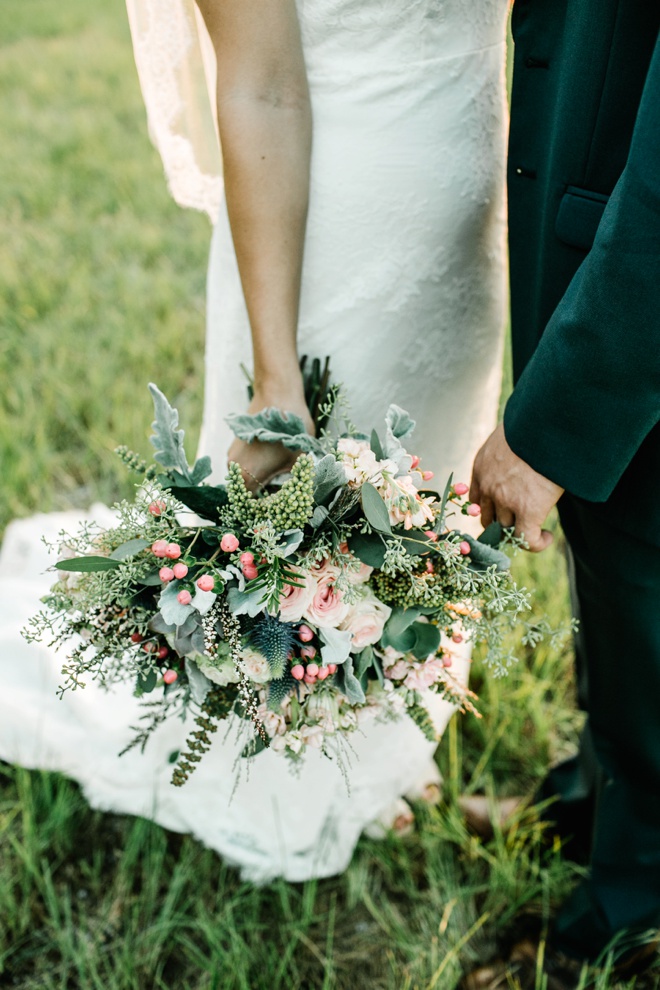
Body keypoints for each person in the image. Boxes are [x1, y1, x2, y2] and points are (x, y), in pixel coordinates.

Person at [0, 0, 509, 882]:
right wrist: (277, 382)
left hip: (468, 227)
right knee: (299, 523)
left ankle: (391, 734)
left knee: (422, 493)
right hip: (324, 227)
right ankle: (278, 778)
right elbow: (262, 85)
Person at [464, 2, 660, 986]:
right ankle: (593, 798)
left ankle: (624, 914)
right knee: (623, 586)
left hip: (637, 325)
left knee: (650, 596)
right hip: (588, 255)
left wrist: (552, 428)